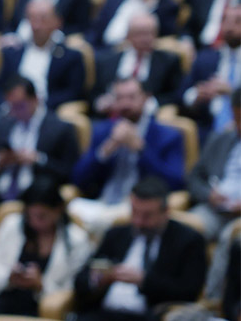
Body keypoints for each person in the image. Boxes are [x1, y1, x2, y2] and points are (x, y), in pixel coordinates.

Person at [73, 177, 207, 321]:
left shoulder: (188, 240)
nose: (138, 222)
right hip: (103, 314)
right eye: (135, 213)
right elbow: (81, 280)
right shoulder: (116, 234)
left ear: (166, 211)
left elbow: (188, 293)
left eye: (147, 215)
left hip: (149, 316)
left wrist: (144, 281)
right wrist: (98, 279)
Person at [70, 79, 186, 236]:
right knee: (72, 213)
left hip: (139, 208)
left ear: (146, 98)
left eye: (131, 97)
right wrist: (107, 149)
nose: (125, 104)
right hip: (103, 202)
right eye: (119, 98)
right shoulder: (102, 131)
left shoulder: (167, 135)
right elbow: (78, 178)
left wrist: (141, 149)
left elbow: (175, 182)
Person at [0, 178, 91, 320]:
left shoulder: (77, 240)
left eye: (42, 216)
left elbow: (73, 290)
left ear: (58, 210)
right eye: (30, 216)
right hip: (5, 300)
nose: (35, 222)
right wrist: (9, 277)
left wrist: (40, 285)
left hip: (42, 309)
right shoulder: (12, 224)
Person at [0, 77, 81, 228]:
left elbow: (70, 173)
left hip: (35, 200)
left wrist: (37, 159)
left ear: (35, 100)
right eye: (11, 106)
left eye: (20, 105)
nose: (15, 111)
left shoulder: (61, 129)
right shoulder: (3, 124)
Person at [0, 0, 86, 111]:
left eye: (43, 19)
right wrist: (5, 106)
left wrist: (38, 105)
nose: (36, 26)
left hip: (48, 112)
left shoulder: (70, 57)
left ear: (57, 22)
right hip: (10, 111)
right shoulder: (12, 53)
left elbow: (72, 93)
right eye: (32, 19)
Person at [91, 13, 184, 115]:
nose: (145, 39)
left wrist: (151, 104)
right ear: (128, 36)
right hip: (110, 116)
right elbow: (92, 93)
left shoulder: (169, 61)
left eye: (149, 33)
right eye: (139, 34)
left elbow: (177, 94)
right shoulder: (106, 61)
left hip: (150, 116)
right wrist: (101, 102)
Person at [187, 89, 241, 242]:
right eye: (237, 119)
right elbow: (194, 178)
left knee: (232, 239)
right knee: (185, 232)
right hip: (214, 210)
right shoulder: (220, 139)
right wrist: (208, 194)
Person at [181, 6, 241, 139]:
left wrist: (231, 93)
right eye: (226, 21)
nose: (230, 27)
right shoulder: (205, 58)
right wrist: (196, 95)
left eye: (238, 21)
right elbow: (181, 95)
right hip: (208, 131)